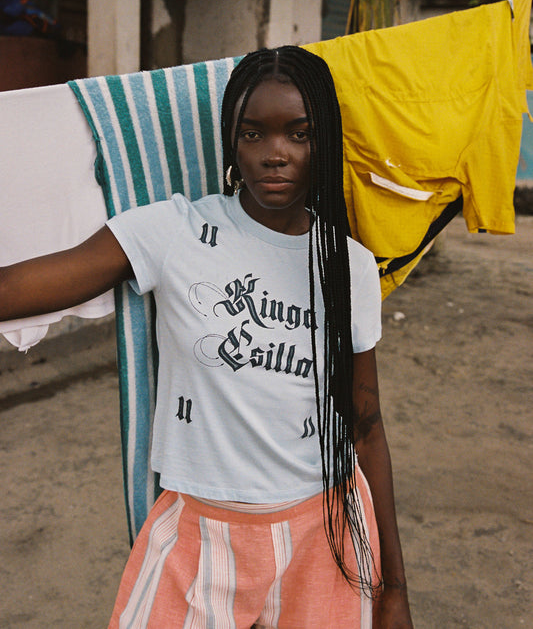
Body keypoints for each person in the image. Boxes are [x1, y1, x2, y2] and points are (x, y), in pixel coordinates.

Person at [0, 46, 412, 628]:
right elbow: (27, 286)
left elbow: (366, 426)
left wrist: (394, 587)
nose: (275, 154)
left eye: (299, 133)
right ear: (231, 144)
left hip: (327, 532)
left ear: (325, 143)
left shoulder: (348, 266)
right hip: (200, 530)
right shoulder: (176, 231)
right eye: (253, 134)